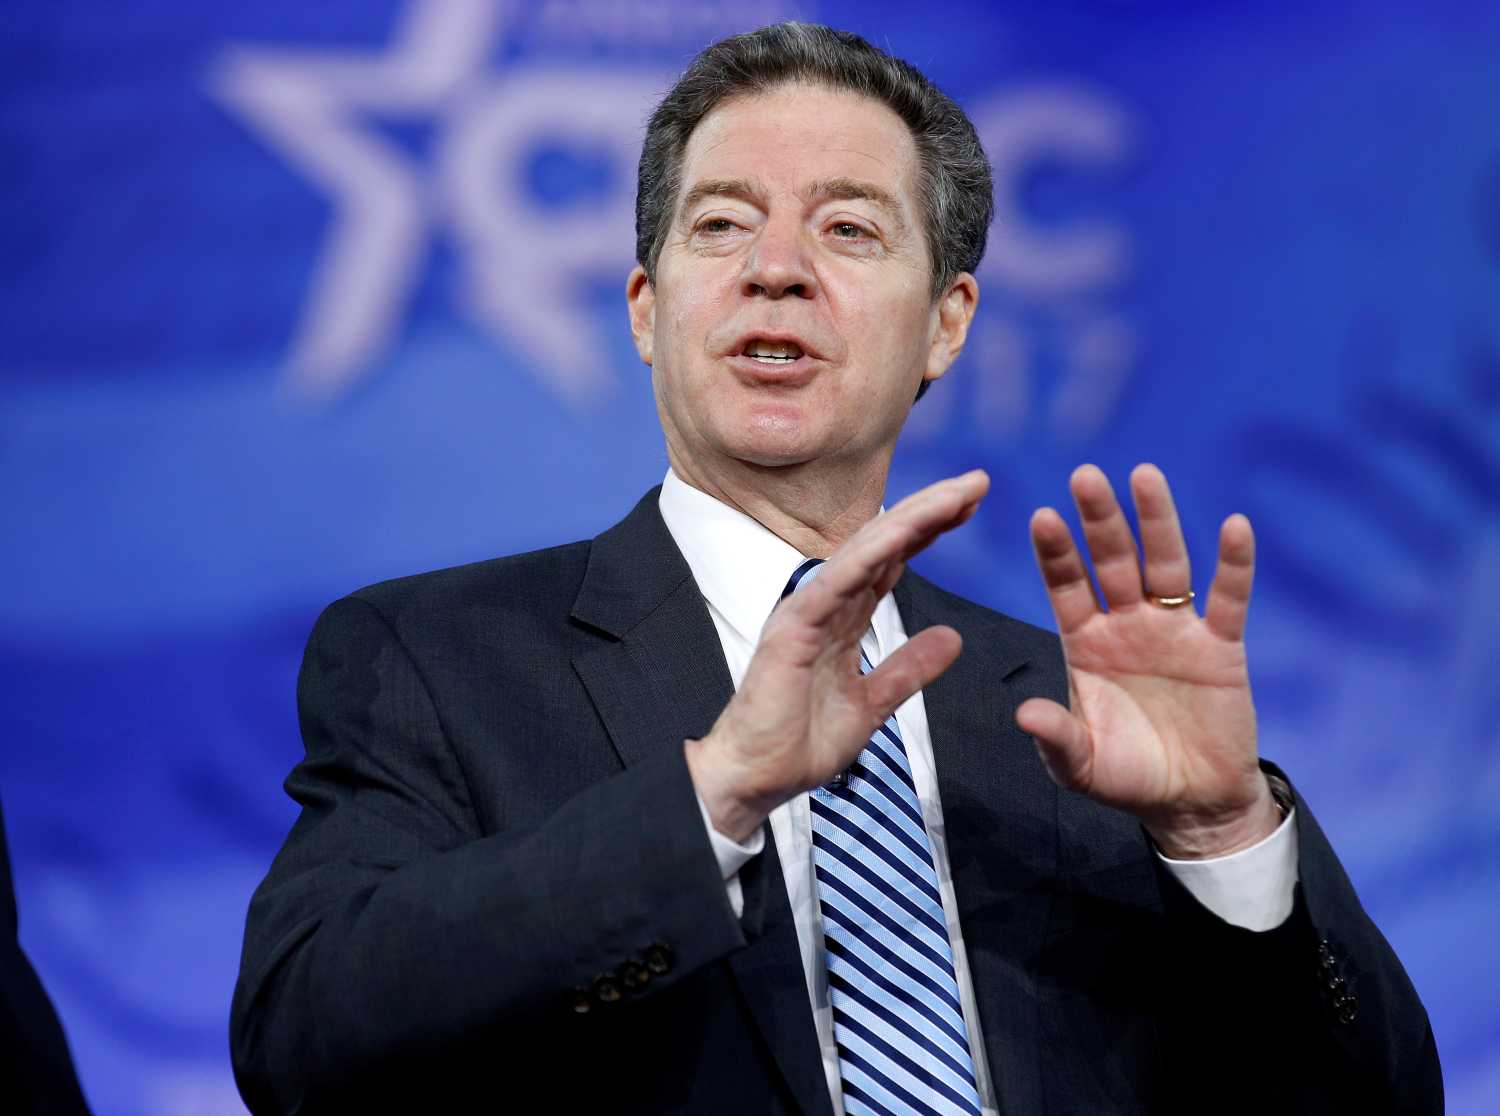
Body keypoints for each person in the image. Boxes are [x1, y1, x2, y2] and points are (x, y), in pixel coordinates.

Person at [230, 22, 1440, 1115]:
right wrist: (711, 795)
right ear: (648, 309)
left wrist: (1221, 834)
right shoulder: (440, 660)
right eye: (720, 223)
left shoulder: (1073, 717)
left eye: (850, 228)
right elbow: (305, 1034)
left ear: (947, 322)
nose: (776, 267)